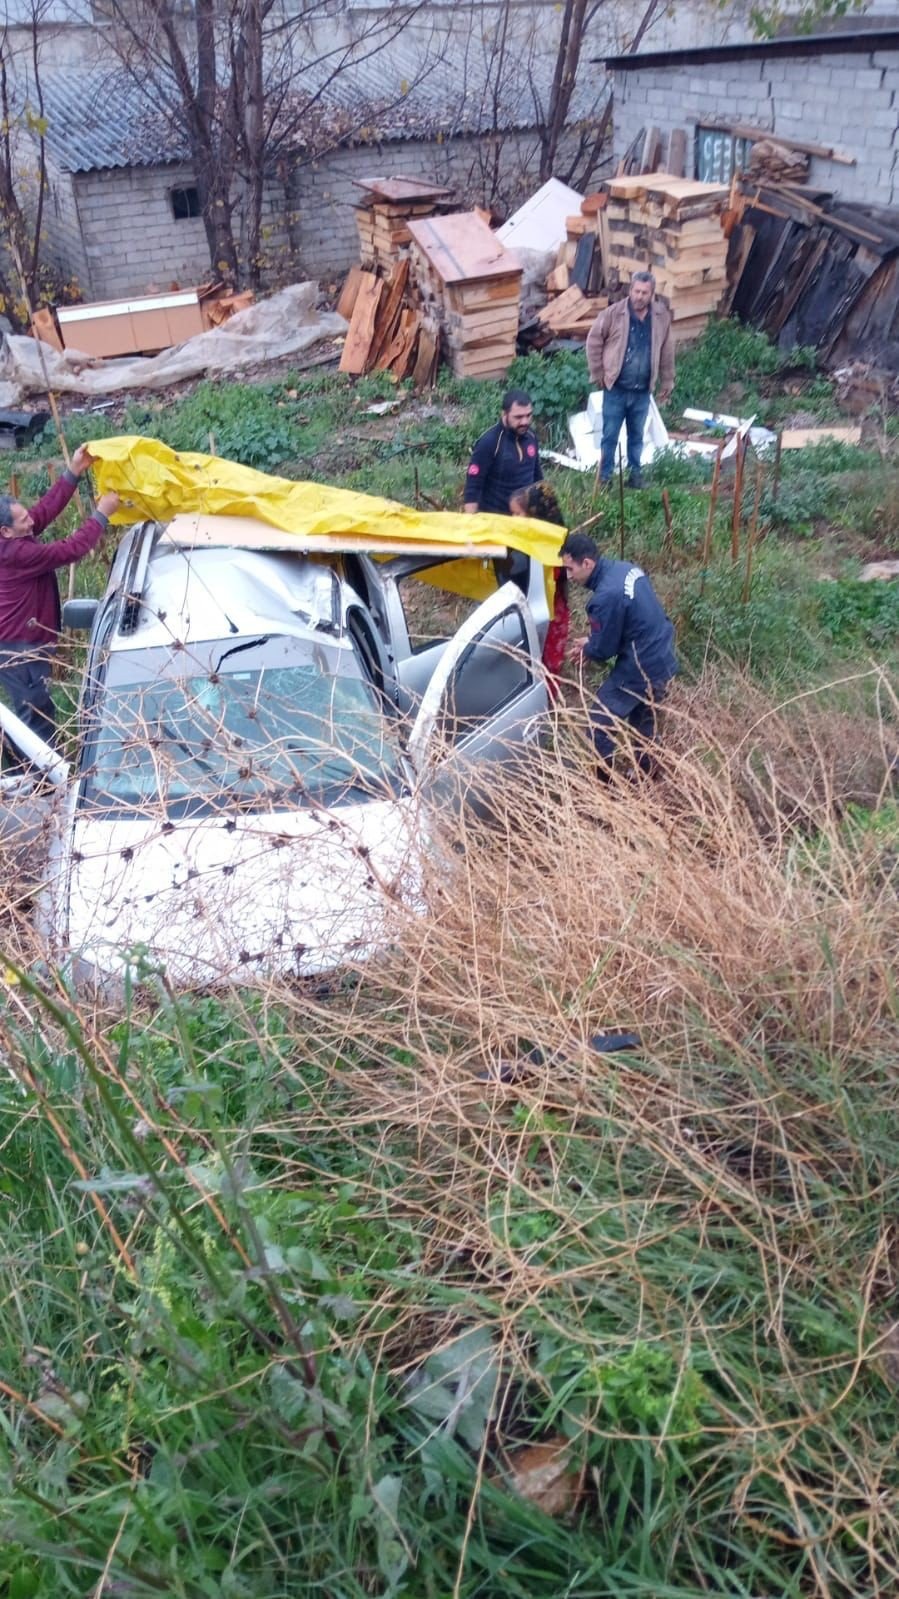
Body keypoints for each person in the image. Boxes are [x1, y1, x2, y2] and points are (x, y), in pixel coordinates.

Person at [0, 446, 119, 747]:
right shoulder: (16, 552)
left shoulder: (17, 536)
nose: (31, 522)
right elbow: (69, 550)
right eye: (23, 521)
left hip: (22, 645)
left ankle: (37, 776)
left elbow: (42, 512)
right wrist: (101, 515)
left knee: (37, 713)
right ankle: (38, 785)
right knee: (36, 719)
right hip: (20, 651)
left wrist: (73, 471)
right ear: (6, 532)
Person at [560, 530, 677, 776]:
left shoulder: (605, 597)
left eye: (571, 569)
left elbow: (603, 650)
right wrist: (594, 641)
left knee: (597, 725)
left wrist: (590, 649)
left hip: (640, 664)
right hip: (661, 653)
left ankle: (607, 786)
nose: (568, 576)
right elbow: (627, 620)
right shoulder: (625, 569)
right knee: (643, 720)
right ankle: (648, 776)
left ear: (588, 563)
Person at [585, 271, 674, 489]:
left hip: (642, 391)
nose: (640, 296)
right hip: (616, 388)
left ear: (652, 294)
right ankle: (605, 478)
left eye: (645, 292)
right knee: (610, 435)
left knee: (637, 436)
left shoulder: (661, 316)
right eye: (636, 291)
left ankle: (635, 476)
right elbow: (594, 341)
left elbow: (667, 350)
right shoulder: (613, 313)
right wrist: (597, 373)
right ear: (630, 290)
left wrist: (667, 381)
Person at [463, 390, 543, 516]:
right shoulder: (489, 442)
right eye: (518, 417)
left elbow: (538, 478)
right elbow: (473, 487)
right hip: (496, 520)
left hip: (525, 518)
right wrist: (470, 525)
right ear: (504, 414)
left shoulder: (531, 437)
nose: (525, 422)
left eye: (528, 415)